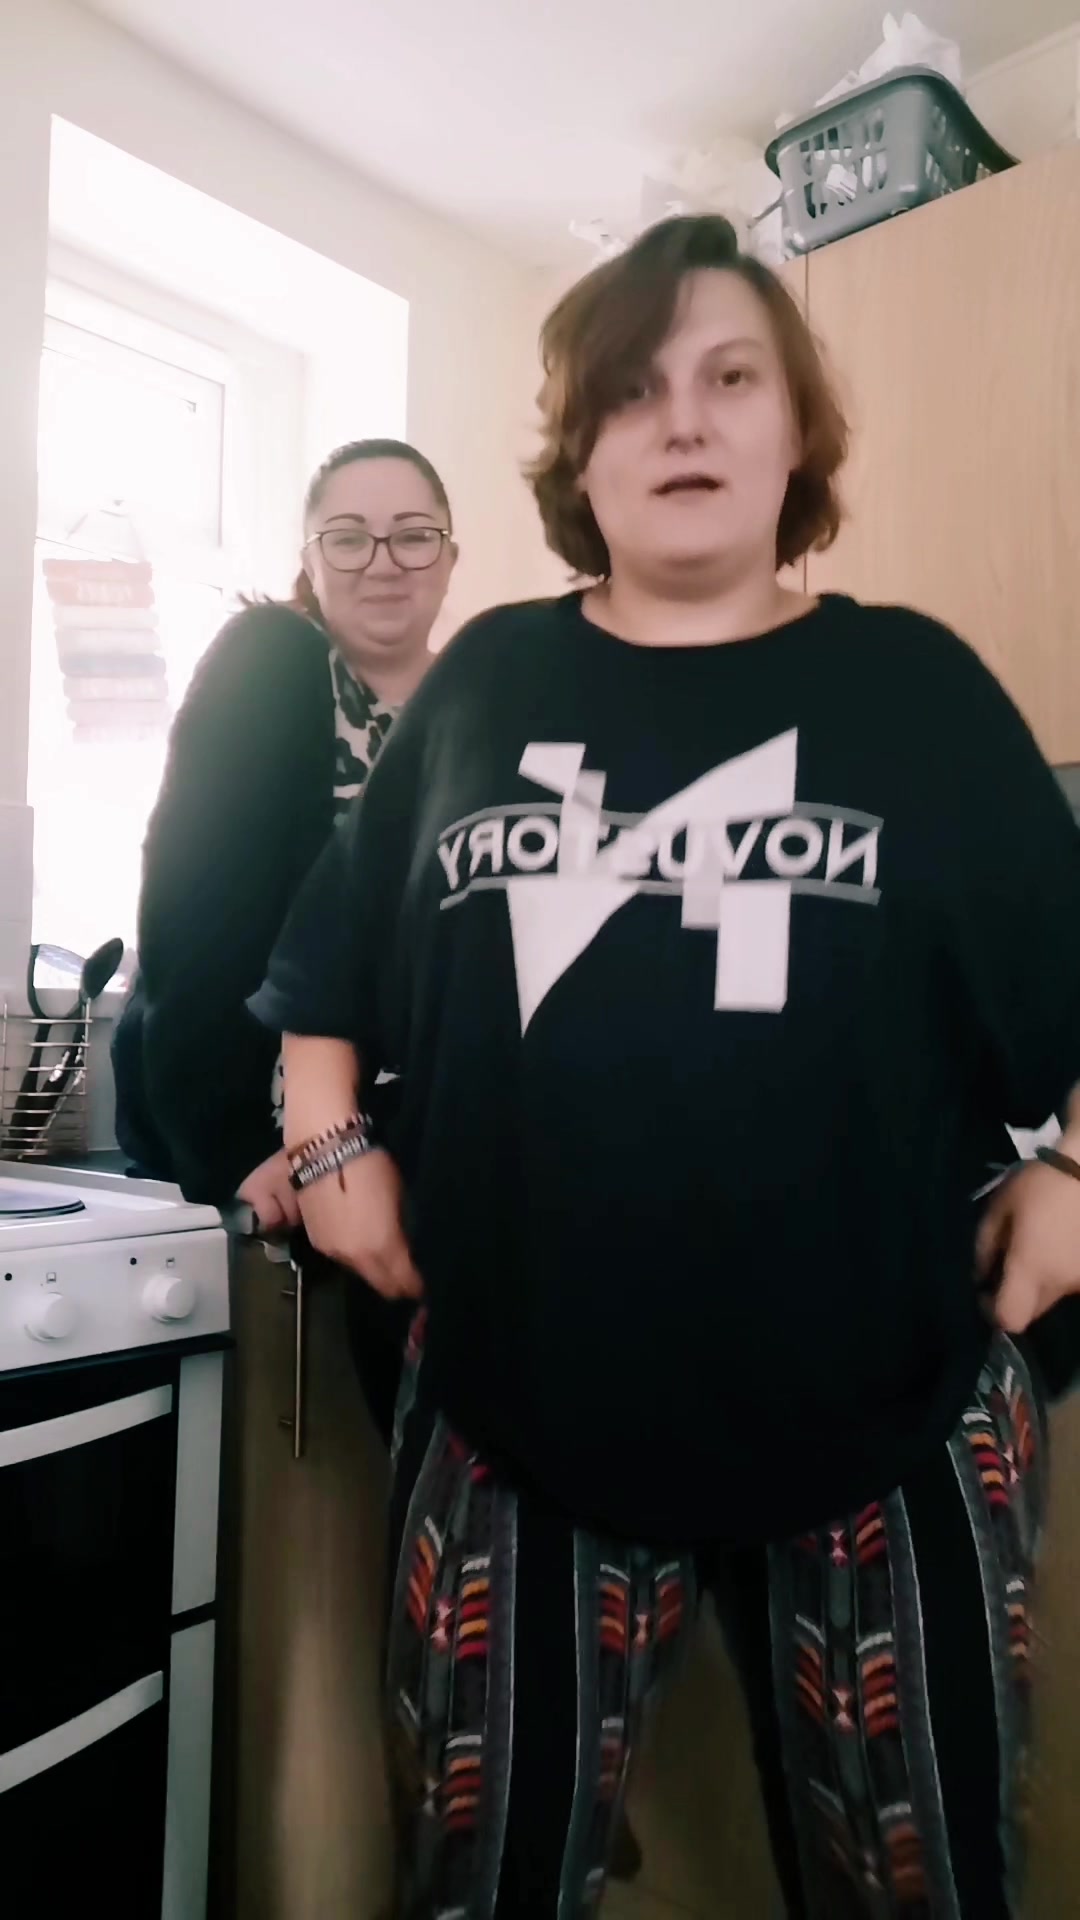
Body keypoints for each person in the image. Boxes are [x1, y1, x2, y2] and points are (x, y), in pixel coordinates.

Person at [250, 215, 1080, 1918]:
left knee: (922, 1886)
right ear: (579, 451)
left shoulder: (915, 690)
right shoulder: (486, 684)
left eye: (730, 378)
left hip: (889, 1407)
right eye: (631, 390)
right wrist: (328, 1144)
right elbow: (329, 976)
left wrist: (1076, 1176)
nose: (682, 420)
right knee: (481, 1881)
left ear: (797, 432)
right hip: (517, 1407)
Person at [112, 437, 457, 1443]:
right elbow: (194, 908)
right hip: (272, 1124)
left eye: (412, 535)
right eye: (348, 538)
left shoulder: (471, 712)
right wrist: (236, 1146)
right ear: (309, 559)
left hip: (406, 1133)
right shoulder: (273, 665)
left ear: (449, 556)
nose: (383, 561)